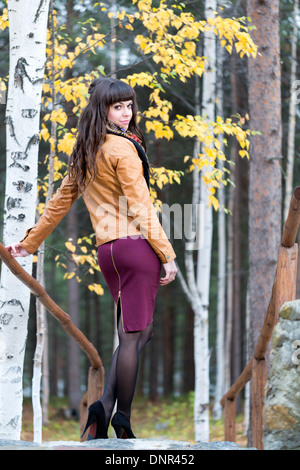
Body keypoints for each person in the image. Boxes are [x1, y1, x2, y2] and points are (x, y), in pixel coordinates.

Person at [5, 77, 177, 440]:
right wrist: (168, 255)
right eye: (118, 107)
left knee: (138, 331)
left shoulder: (86, 148)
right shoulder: (122, 149)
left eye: (130, 105)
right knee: (133, 335)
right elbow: (142, 207)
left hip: (108, 251)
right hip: (135, 246)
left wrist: (30, 243)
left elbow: (59, 203)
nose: (127, 113)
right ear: (102, 109)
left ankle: (103, 404)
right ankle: (123, 419)